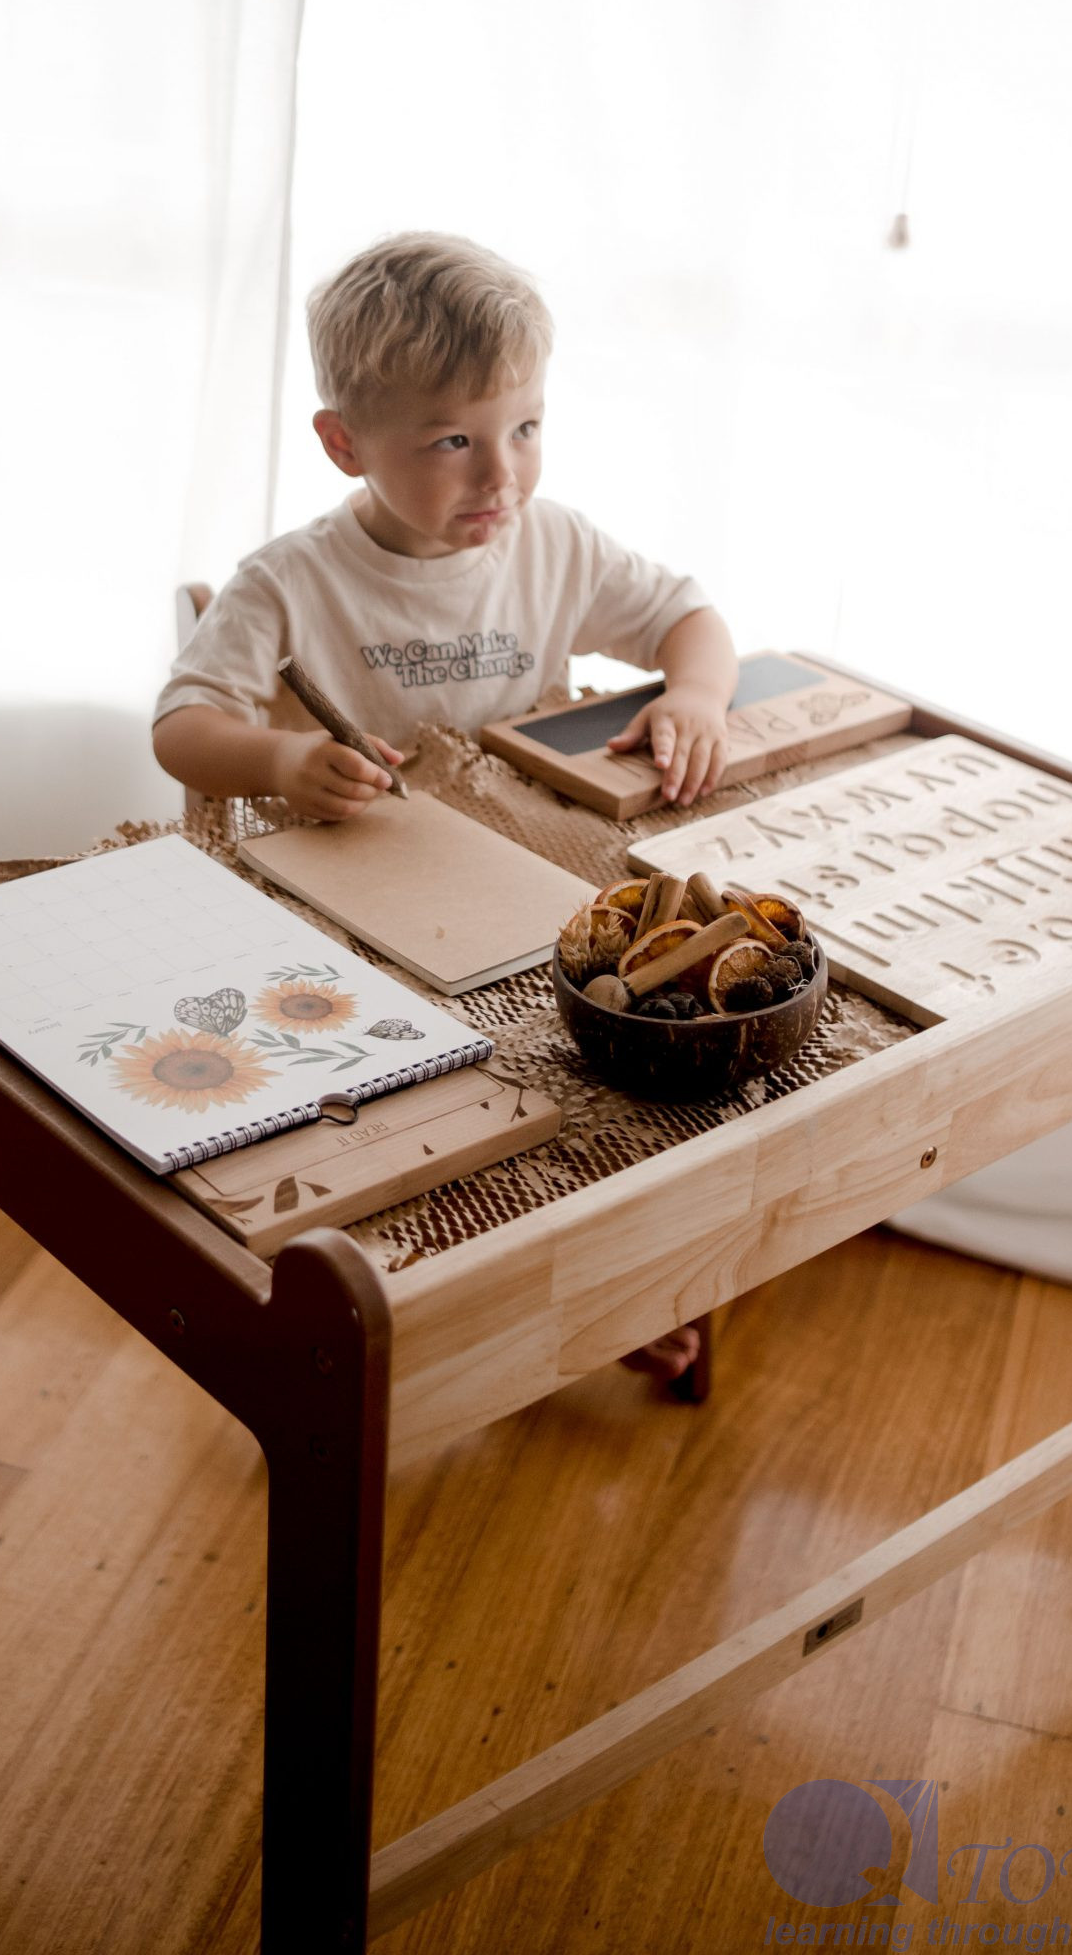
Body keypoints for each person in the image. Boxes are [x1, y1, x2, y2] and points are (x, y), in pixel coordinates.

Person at [152, 232, 738, 1382]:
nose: (500, 476)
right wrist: (279, 759)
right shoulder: (290, 581)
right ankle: (455, 1295)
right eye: (453, 441)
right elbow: (181, 726)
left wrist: (700, 695)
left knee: (638, 1042)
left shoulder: (548, 540)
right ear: (344, 443)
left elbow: (687, 617)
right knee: (447, 1112)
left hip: (520, 896)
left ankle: (608, 1279)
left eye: (526, 427)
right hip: (352, 922)